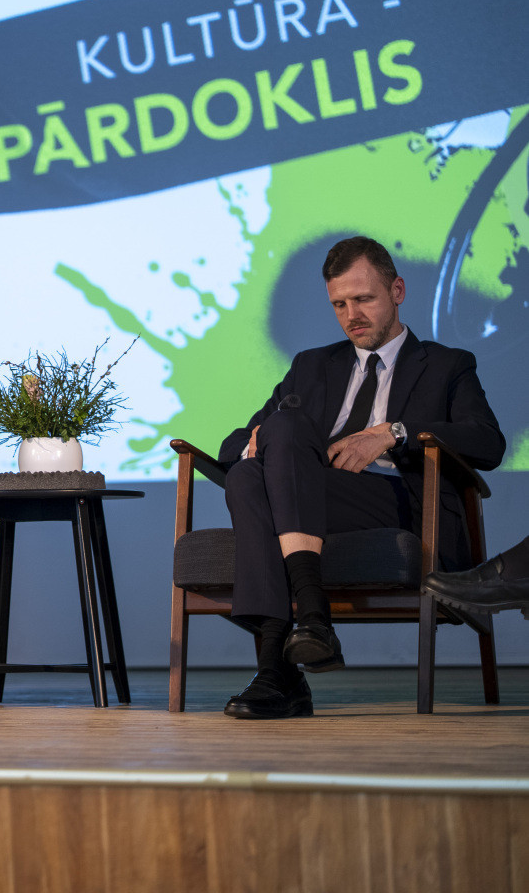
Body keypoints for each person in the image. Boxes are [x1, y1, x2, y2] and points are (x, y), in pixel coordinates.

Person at [215, 236, 504, 719]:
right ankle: (307, 627)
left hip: (400, 501)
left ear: (397, 291)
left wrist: (394, 432)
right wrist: (261, 443)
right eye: (339, 305)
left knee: (257, 476)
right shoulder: (312, 365)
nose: (352, 315)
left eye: (364, 299)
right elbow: (232, 446)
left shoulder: (447, 365)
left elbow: (488, 442)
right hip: (312, 499)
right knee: (251, 468)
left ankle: (280, 670)